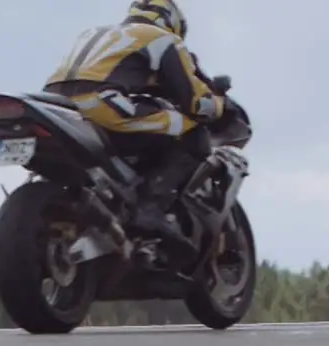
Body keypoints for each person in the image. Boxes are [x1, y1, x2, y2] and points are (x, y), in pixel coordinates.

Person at [42, 0, 225, 257]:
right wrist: (218, 106)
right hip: (101, 106)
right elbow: (193, 101)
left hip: (57, 106)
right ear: (173, 21)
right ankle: (150, 208)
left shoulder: (96, 33)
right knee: (192, 133)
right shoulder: (162, 38)